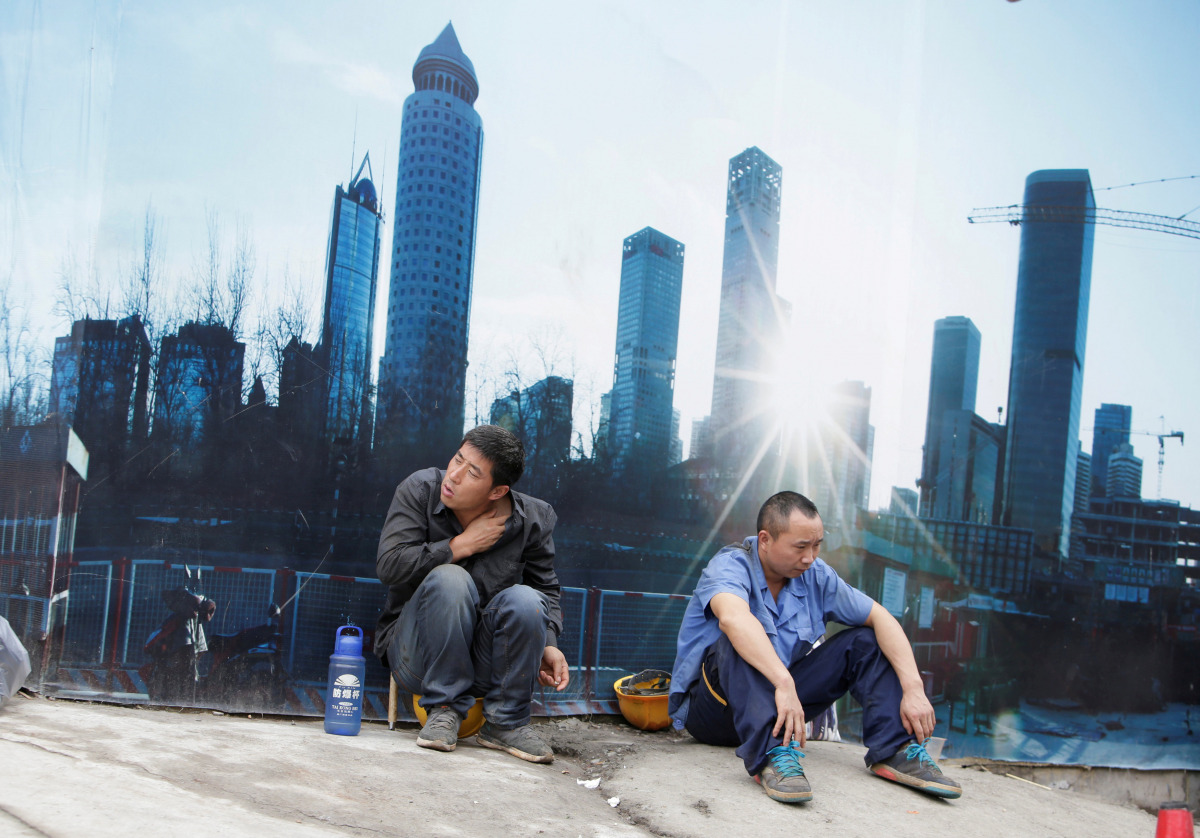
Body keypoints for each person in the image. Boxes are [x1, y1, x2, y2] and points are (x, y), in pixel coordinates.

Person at [669, 491, 961, 804]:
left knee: (864, 641)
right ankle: (771, 755)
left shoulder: (816, 576)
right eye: (800, 547)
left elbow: (881, 617)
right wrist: (783, 682)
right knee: (736, 637)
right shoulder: (730, 565)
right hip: (714, 711)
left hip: (779, 708)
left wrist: (913, 688)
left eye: (817, 545)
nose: (810, 557)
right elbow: (733, 619)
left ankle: (895, 749)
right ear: (765, 540)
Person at [375, 425, 569, 764]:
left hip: (485, 665)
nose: (454, 475)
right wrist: (460, 545)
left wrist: (549, 642)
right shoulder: (420, 490)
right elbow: (389, 566)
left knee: (528, 600)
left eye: (473, 472)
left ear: (498, 491)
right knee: (450, 578)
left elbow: (546, 588)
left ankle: (506, 723)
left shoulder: (533, 521)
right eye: (457, 459)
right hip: (416, 657)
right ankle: (443, 708)